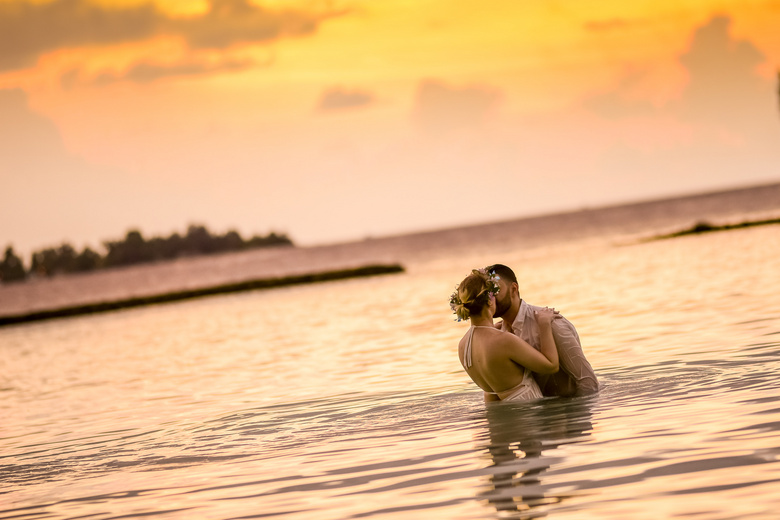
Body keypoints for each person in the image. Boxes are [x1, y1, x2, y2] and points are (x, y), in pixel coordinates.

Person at [487, 264, 599, 397]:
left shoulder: (552, 323)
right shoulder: (499, 334)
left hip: (567, 412)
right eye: (486, 294)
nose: (490, 298)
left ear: (514, 289)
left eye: (495, 290)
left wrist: (576, 416)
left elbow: (589, 383)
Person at [451, 268, 561, 402]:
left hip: (497, 420)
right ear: (489, 301)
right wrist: (544, 325)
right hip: (528, 417)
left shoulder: (463, 346)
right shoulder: (503, 340)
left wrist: (496, 329)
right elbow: (551, 365)